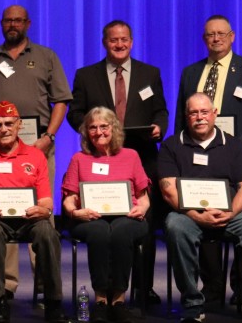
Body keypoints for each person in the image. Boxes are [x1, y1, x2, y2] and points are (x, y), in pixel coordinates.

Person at [0, 5, 71, 298]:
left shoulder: (46, 57)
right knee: (0, 209)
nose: (13, 25)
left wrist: (49, 137)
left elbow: (61, 100)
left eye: (18, 20)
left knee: (40, 214)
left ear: (28, 23)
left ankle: (44, 286)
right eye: (8, 20)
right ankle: (7, 284)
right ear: (1, 24)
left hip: (36, 148)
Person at [66, 20, 168, 305]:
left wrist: (160, 126)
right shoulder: (86, 75)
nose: (119, 44)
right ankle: (108, 287)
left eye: (124, 39)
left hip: (141, 156)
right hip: (99, 158)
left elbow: (160, 110)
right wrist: (94, 131)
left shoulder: (150, 73)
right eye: (114, 40)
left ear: (132, 42)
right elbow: (75, 113)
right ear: (105, 42)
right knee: (104, 222)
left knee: (141, 222)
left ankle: (143, 287)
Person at [174, 15, 242, 305]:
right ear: (204, 39)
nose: (215, 39)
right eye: (209, 35)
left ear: (232, 37)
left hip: (238, 164)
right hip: (197, 163)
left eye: (221, 34)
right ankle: (212, 288)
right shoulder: (191, 72)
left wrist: (236, 149)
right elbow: (184, 115)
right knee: (204, 221)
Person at [158, 93, 242, 323]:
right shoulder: (172, 145)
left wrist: (230, 213)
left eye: (204, 112)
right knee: (174, 225)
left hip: (230, 213)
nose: (199, 118)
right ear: (186, 116)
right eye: (193, 113)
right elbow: (168, 189)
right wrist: (194, 215)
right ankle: (192, 302)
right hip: (188, 215)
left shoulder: (234, 145)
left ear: (214, 114)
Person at [0, 101, 69, 323]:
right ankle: (0, 299)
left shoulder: (35, 156)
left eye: (9, 123)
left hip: (27, 219)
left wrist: (44, 209)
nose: (4, 129)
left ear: (19, 125)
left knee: (47, 233)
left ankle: (53, 301)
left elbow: (47, 199)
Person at [60, 107, 150, 323]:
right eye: (92, 127)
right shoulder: (79, 158)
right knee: (100, 232)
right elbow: (69, 198)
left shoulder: (131, 156)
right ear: (86, 132)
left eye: (103, 126)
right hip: (90, 217)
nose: (98, 131)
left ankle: (118, 301)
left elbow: (144, 196)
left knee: (120, 232)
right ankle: (101, 301)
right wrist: (75, 211)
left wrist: (142, 208)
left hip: (127, 215)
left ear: (114, 128)